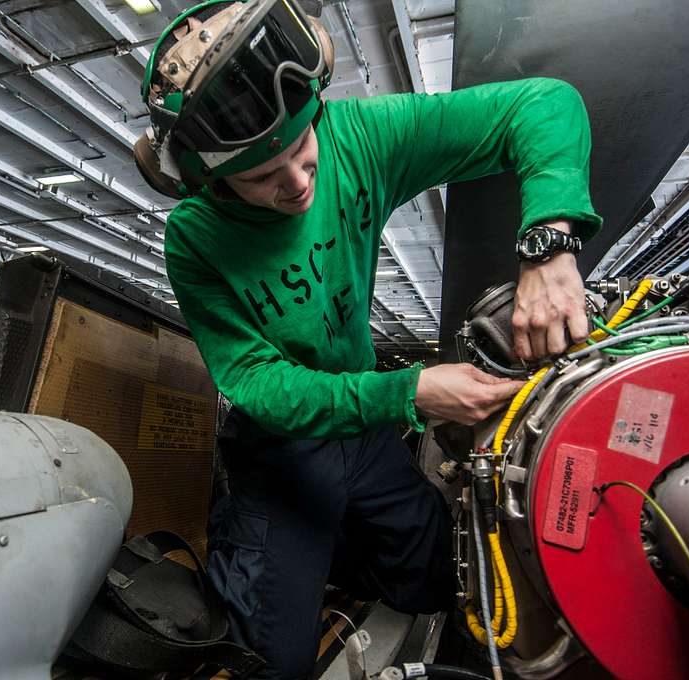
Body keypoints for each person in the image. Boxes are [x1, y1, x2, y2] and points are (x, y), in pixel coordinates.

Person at [133, 1, 602, 677]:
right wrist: (408, 390)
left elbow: (543, 104)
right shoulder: (196, 239)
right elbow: (258, 385)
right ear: (210, 176)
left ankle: (342, 544)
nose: (297, 183)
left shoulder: (356, 136)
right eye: (264, 178)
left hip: (368, 435)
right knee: (273, 660)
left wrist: (550, 244)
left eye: (303, 153)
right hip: (282, 451)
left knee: (435, 578)